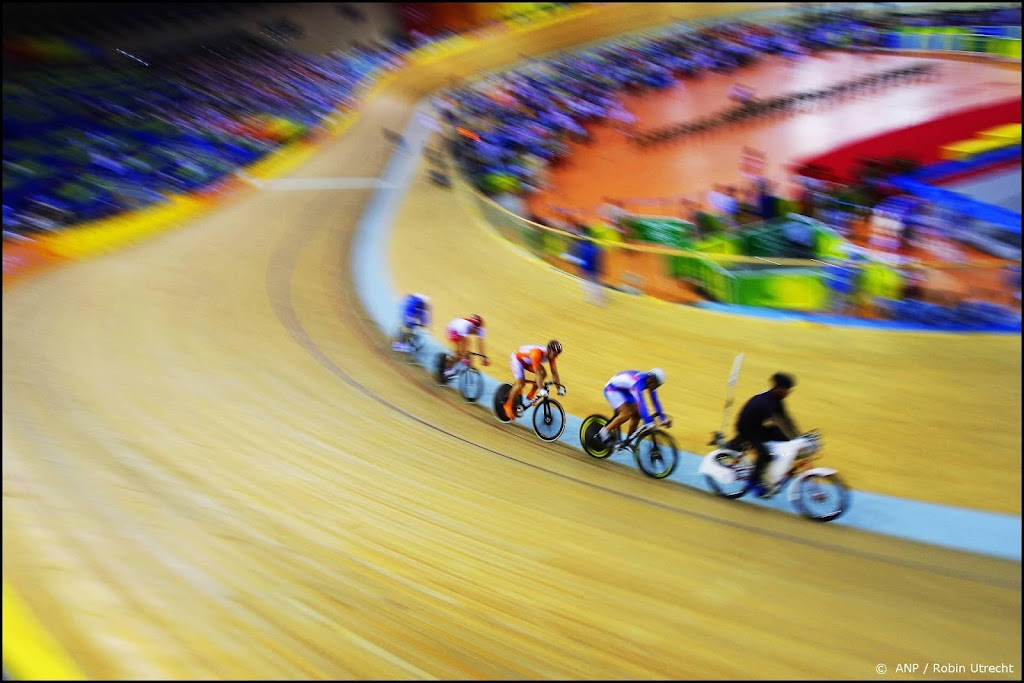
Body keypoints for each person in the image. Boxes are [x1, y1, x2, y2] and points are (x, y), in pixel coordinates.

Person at [733, 372, 800, 497]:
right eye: (787, 389)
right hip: (747, 429)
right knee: (765, 454)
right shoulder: (766, 402)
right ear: (779, 388)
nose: (788, 392)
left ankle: (770, 471)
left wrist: (799, 436)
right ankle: (753, 481)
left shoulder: (777, 399)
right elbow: (780, 422)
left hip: (758, 427)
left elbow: (787, 419)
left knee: (783, 438)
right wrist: (795, 438)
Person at [598, 368, 671, 446]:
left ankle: (629, 441)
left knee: (638, 414)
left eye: (658, 386)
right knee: (626, 414)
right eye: (656, 385)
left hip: (625, 390)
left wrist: (663, 418)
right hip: (612, 389)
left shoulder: (650, 382)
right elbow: (641, 403)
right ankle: (603, 433)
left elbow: (655, 402)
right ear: (651, 380)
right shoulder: (638, 383)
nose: (656, 387)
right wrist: (648, 421)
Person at [504, 340, 565, 420]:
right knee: (521, 384)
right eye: (555, 354)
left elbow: (555, 373)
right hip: (517, 360)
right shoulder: (537, 353)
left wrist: (559, 389)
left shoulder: (552, 356)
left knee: (543, 373)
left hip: (528, 361)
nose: (555, 357)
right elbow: (537, 373)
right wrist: (541, 389)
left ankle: (531, 395)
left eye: (557, 355)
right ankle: (507, 405)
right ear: (549, 350)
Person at [443, 314, 490, 378]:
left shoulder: (482, 330)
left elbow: (480, 344)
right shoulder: (464, 326)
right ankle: (447, 370)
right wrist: (463, 356)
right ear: (471, 324)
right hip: (453, 329)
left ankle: (458, 363)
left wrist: (483, 357)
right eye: (473, 327)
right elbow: (462, 342)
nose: (475, 329)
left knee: (467, 346)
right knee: (459, 352)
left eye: (476, 328)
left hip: (462, 333)